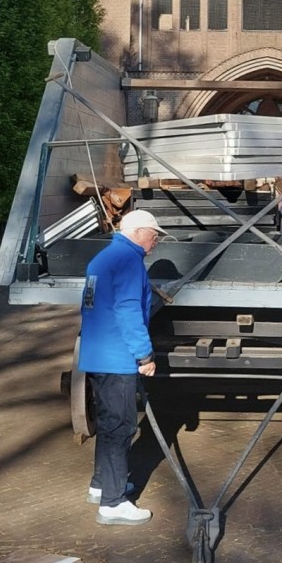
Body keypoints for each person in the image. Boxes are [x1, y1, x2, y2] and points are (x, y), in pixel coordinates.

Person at [78, 207, 168, 525]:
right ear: (138, 232)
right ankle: (114, 503)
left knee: (107, 423)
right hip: (118, 358)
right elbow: (129, 311)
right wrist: (144, 356)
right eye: (154, 234)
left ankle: (102, 485)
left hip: (97, 354)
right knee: (121, 427)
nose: (156, 240)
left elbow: (88, 304)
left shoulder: (100, 259)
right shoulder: (129, 261)